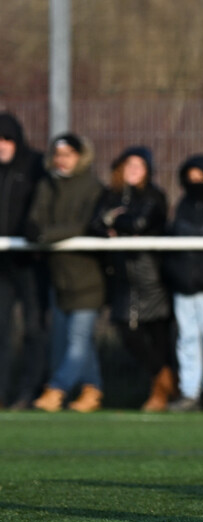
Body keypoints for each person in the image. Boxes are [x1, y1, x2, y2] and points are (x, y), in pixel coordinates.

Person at [90, 147, 177, 412]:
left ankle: (162, 390)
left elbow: (139, 223)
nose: (133, 171)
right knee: (127, 329)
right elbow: (95, 225)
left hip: (151, 274)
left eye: (140, 166)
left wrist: (115, 220)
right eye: (129, 165)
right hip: (119, 275)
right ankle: (164, 379)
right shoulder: (110, 195)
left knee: (158, 334)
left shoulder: (154, 196)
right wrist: (116, 222)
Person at [28, 134, 106, 413]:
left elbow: (85, 225)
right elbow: (35, 219)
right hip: (59, 277)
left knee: (77, 342)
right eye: (58, 154)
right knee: (76, 342)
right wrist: (33, 230)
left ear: (81, 156)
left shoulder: (93, 187)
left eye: (69, 154)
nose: (62, 160)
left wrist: (45, 235)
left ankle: (56, 389)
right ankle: (92, 390)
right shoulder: (47, 184)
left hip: (87, 278)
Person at [163, 155, 203, 411]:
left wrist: (185, 232)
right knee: (187, 341)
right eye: (191, 178)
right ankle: (190, 393)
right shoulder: (183, 204)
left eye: (201, 177)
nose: (196, 182)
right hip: (184, 285)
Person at [0, 111, 48, 410]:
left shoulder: (35, 165)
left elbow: (47, 203)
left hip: (30, 263)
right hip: (1, 265)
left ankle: (31, 391)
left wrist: (36, 230)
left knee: (34, 328)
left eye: (7, 139)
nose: (2, 145)